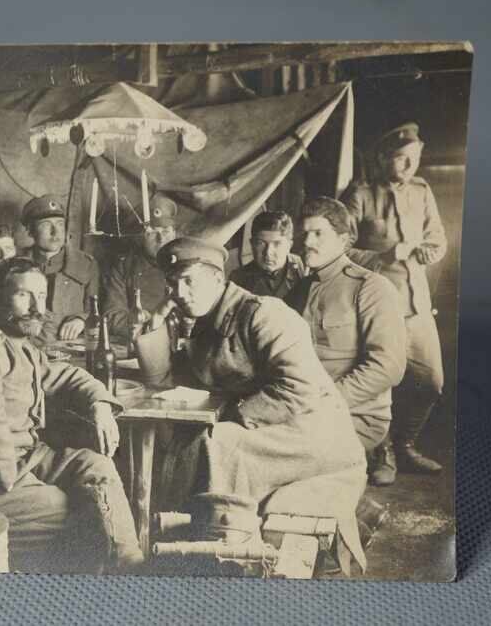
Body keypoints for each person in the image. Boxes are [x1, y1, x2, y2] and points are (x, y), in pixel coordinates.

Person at [133, 237, 368, 574]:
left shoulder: (263, 313)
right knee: (185, 440)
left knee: (215, 444)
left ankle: (224, 544)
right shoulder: (205, 324)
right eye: (172, 284)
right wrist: (154, 326)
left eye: (189, 280)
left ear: (217, 278)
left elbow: (297, 388)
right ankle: (199, 538)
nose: (180, 293)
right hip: (271, 428)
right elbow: (168, 383)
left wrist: (233, 415)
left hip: (311, 433)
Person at [0, 257, 143, 572]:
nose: (38, 306)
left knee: (96, 465)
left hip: (22, 456)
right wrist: (23, 483)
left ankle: (131, 568)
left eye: (41, 295)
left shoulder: (17, 342)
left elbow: (62, 374)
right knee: (68, 508)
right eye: (24, 295)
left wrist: (99, 404)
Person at [343, 122, 447, 481]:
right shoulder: (360, 194)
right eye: (402, 159)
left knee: (430, 381)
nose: (409, 167)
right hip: (376, 305)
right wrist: (385, 255)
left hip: (416, 303)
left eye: (414, 159)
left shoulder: (421, 191)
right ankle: (382, 452)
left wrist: (422, 254)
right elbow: (340, 250)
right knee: (380, 379)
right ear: (384, 158)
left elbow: (438, 242)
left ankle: (405, 445)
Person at [288, 198, 407, 486]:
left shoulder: (371, 288)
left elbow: (388, 366)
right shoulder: (299, 290)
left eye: (318, 233)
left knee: (268, 454)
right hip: (303, 409)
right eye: (304, 234)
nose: (308, 241)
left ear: (344, 240)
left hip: (355, 416)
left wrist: (325, 402)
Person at [17, 194, 100, 344]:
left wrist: (81, 320)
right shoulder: (15, 263)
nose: (55, 231)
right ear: (30, 231)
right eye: (46, 224)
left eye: (60, 224)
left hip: (70, 346)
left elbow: (97, 308)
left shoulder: (86, 264)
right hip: (24, 344)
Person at [101, 194, 178, 336]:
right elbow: (112, 315)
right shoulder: (124, 266)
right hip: (139, 339)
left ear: (174, 234)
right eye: (153, 232)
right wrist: (143, 322)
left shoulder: (186, 265)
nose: (161, 239)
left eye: (166, 231)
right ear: (140, 236)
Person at [229, 211, 306, 299]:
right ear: (252, 244)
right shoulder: (238, 278)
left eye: (277, 244)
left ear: (289, 245)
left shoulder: (298, 265)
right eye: (261, 243)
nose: (268, 252)